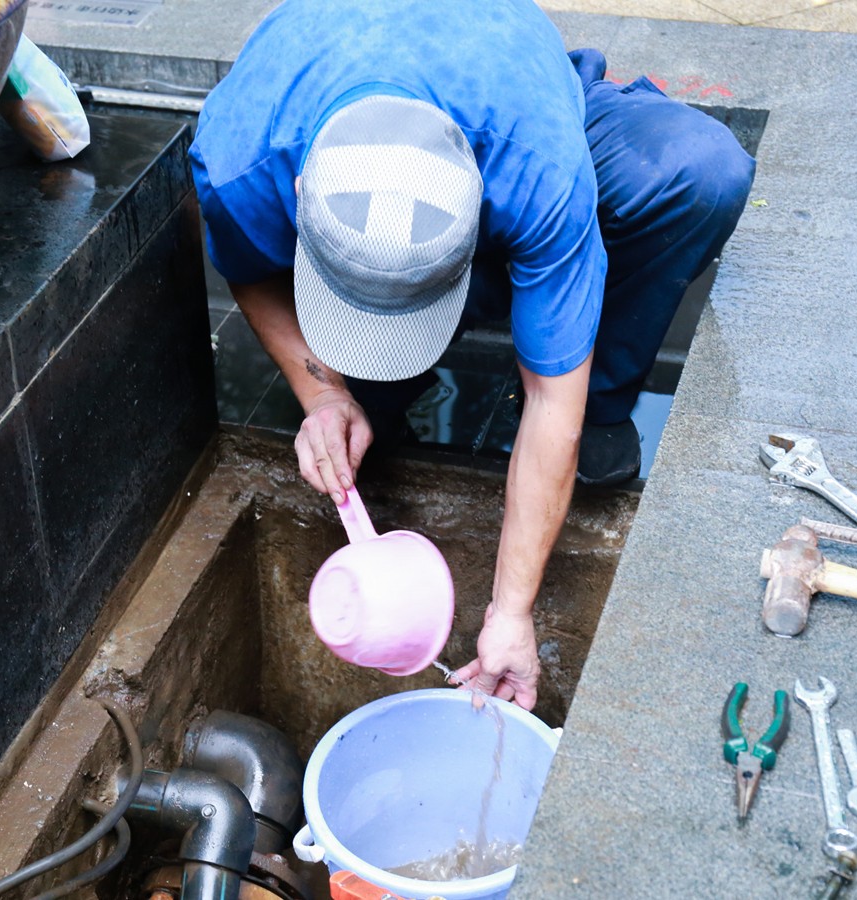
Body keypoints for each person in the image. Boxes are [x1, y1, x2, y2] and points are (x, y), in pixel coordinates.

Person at [189, 0, 754, 710]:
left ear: (484, 199)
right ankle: (386, 356)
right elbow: (249, 271)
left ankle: (598, 386)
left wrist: (511, 613)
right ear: (300, 196)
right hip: (354, 115)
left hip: (511, 103)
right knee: (369, 415)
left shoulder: (538, 170)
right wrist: (324, 393)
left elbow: (551, 403)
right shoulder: (240, 162)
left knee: (701, 170)